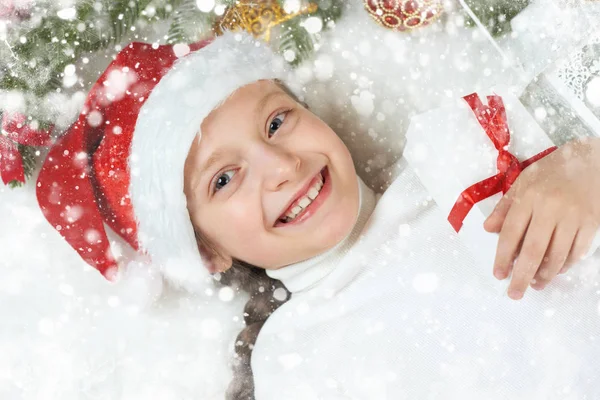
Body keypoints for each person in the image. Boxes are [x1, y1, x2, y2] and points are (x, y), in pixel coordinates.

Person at [37, 32, 600, 399]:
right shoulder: (297, 359)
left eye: (276, 122)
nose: (281, 166)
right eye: (225, 179)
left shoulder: (461, 148)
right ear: (205, 250)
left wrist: (588, 164)